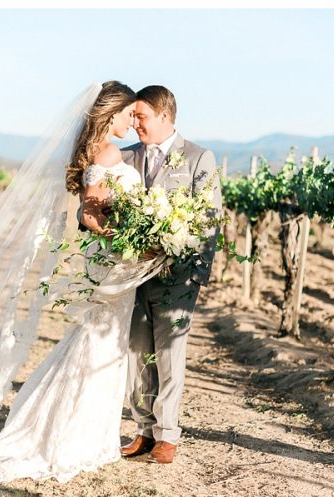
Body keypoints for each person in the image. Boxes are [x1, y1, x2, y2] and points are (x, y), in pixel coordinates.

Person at [0, 81, 166, 482]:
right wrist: (131, 242)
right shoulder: (108, 152)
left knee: (100, 343)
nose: (133, 121)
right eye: (129, 114)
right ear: (110, 113)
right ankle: (72, 435)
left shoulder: (97, 151)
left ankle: (88, 431)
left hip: (114, 264)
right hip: (114, 262)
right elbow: (92, 217)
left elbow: (96, 212)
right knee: (99, 345)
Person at [118, 86, 222, 464]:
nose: (135, 125)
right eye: (132, 117)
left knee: (168, 356)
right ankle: (143, 430)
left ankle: (168, 435)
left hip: (178, 277)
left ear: (165, 116)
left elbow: (210, 220)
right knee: (136, 354)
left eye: (141, 117)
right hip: (133, 276)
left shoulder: (198, 158)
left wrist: (196, 276)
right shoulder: (126, 158)